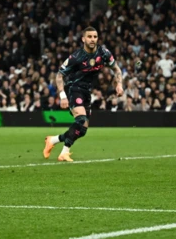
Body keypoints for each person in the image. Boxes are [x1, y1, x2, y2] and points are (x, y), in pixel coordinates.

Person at [43, 27, 124, 162]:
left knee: (82, 130)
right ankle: (64, 152)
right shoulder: (76, 57)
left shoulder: (103, 53)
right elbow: (59, 76)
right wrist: (62, 96)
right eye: (89, 37)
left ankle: (53, 140)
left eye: (95, 36)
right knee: (80, 120)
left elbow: (116, 69)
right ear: (83, 39)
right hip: (73, 89)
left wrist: (119, 84)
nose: (92, 39)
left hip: (87, 91)